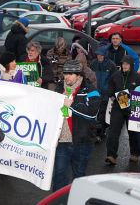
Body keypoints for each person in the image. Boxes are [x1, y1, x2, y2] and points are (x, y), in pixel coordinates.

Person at [52, 60, 100, 191]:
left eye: (70, 74)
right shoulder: (58, 88)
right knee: (59, 177)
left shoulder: (91, 90)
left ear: (78, 75)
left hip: (82, 142)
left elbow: (92, 113)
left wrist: (71, 105)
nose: (66, 76)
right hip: (62, 141)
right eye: (65, 73)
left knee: (78, 178)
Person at [106, 56, 140, 165]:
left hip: (132, 108)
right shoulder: (115, 75)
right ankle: (111, 155)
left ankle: (135, 153)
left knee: (133, 132)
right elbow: (110, 90)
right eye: (123, 64)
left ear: (131, 65)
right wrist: (118, 98)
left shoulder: (137, 77)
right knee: (113, 132)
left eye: (127, 64)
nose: (125, 66)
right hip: (118, 107)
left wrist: (128, 102)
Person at [90, 46, 117, 143]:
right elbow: (90, 78)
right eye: (98, 55)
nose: (99, 57)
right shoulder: (93, 64)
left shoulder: (111, 65)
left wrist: (111, 93)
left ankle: (99, 134)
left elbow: (114, 80)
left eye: (101, 55)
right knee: (93, 114)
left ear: (105, 55)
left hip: (106, 94)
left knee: (102, 115)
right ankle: (94, 133)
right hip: (94, 93)